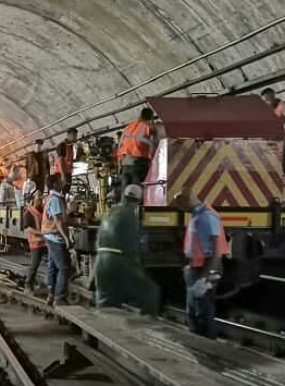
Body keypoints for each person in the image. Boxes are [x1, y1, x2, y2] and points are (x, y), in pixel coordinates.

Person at [94, 184, 160, 314]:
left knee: (106, 300)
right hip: (119, 260)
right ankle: (147, 325)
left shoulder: (111, 212)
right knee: (150, 292)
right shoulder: (133, 214)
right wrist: (138, 265)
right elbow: (132, 243)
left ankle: (104, 326)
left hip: (101, 260)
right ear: (139, 199)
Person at [173, 187, 228, 338]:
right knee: (194, 311)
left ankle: (207, 347)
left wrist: (205, 278)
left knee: (202, 312)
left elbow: (216, 251)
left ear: (187, 201)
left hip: (206, 268)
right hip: (196, 267)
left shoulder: (207, 217)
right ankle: (198, 345)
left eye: (181, 206)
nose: (181, 209)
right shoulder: (197, 215)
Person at [41, 174, 72, 305]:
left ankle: (51, 294)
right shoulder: (55, 199)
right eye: (60, 181)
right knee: (64, 268)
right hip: (55, 236)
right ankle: (60, 297)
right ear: (54, 184)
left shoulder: (52, 198)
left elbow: (62, 219)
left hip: (50, 235)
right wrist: (67, 238)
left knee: (53, 266)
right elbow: (58, 221)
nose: (63, 182)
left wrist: (76, 223)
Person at [117, 108, 156, 198]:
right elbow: (155, 144)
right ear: (150, 118)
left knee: (126, 193)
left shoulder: (128, 127)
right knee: (137, 194)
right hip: (138, 165)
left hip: (125, 165)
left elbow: (120, 146)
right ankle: (138, 211)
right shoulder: (147, 126)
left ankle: (125, 210)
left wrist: (120, 166)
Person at [261, 88, 285, 177]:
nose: (267, 102)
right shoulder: (267, 109)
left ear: (272, 95)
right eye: (265, 101)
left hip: (283, 139)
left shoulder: (282, 106)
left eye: (268, 99)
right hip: (273, 140)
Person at [23, 184, 46, 293]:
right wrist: (41, 233)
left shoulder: (41, 211)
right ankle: (28, 284)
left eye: (41, 199)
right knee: (35, 264)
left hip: (44, 242)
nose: (40, 201)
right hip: (35, 243)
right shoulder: (29, 213)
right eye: (38, 199)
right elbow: (28, 229)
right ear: (33, 200)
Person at [54, 128, 83, 193]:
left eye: (76, 136)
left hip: (68, 173)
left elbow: (70, 160)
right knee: (61, 192)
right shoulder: (62, 145)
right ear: (68, 135)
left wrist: (79, 154)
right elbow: (60, 161)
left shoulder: (70, 146)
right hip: (61, 173)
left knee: (66, 192)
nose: (75, 138)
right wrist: (62, 175)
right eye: (74, 136)